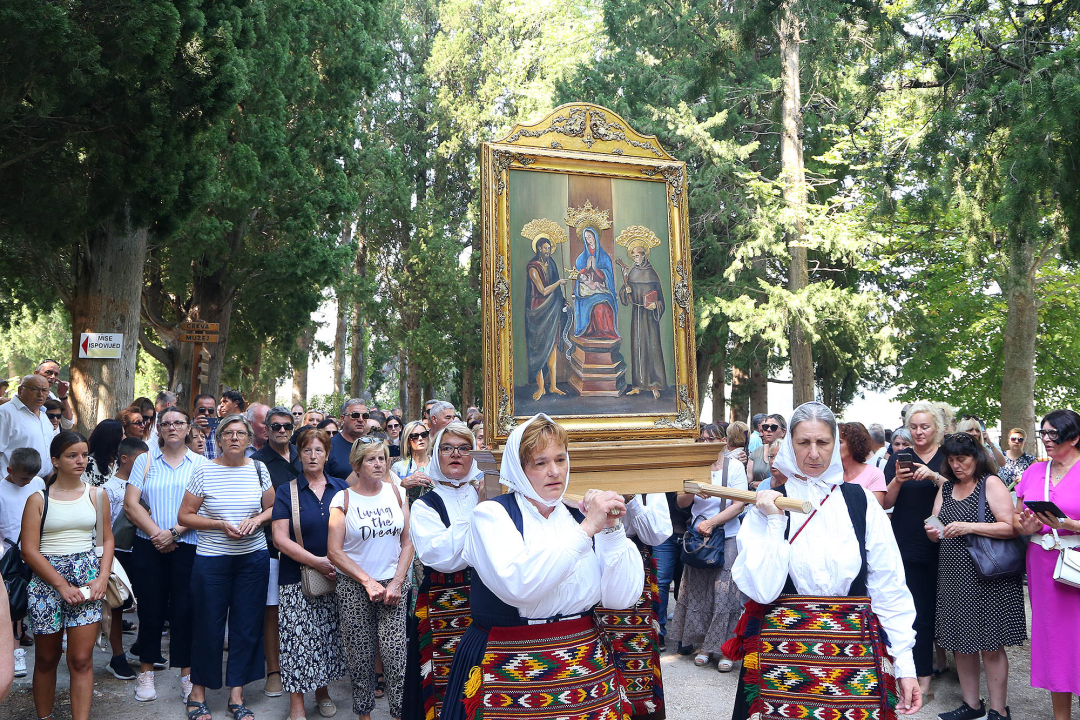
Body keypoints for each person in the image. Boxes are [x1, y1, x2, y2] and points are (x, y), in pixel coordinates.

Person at [440, 414, 643, 720]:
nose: (554, 471)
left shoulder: (576, 516)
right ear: (520, 470)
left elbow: (620, 598)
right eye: (540, 463)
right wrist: (587, 529)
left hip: (585, 666)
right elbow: (521, 586)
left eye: (560, 460)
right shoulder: (491, 516)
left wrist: (612, 529)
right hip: (511, 665)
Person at [730, 402, 922, 718]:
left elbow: (889, 587)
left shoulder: (862, 503)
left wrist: (905, 664)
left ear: (836, 444)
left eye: (823, 442)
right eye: (804, 443)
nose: (814, 453)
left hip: (853, 658)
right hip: (784, 659)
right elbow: (762, 591)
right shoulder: (766, 507)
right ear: (789, 446)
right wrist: (775, 521)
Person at [178, 414, 274, 720]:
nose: (234, 438)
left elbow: (272, 508)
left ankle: (237, 695)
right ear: (218, 440)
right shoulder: (203, 471)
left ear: (249, 439)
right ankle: (197, 694)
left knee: (246, 627)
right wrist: (218, 524)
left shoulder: (259, 469)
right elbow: (185, 516)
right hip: (212, 560)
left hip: (253, 559)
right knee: (208, 626)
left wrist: (257, 520)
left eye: (240, 433)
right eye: (228, 433)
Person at [925, 432, 1025, 720]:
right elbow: (935, 525)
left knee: (991, 646)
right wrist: (932, 531)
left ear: (976, 457)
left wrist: (969, 526)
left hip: (988, 576)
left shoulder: (989, 483)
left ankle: (999, 710)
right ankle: (972, 705)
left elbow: (1010, 527)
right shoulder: (945, 490)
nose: (957, 465)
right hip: (953, 576)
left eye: (963, 459)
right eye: (952, 460)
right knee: (961, 643)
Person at [21, 431, 114, 720]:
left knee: (82, 658)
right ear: (56, 461)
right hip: (47, 583)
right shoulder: (38, 499)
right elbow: (29, 550)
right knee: (47, 659)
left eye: (84, 455)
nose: (80, 461)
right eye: (72, 455)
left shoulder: (97, 495)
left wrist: (101, 578)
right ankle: (45, 717)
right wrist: (60, 584)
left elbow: (107, 540)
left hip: (87, 582)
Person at [327, 438, 413, 720]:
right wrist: (366, 581)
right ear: (357, 465)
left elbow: (408, 541)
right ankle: (364, 714)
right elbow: (334, 551)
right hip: (355, 586)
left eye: (382, 458)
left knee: (396, 654)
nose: (378, 464)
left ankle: (400, 713)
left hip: (393, 584)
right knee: (360, 656)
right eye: (370, 459)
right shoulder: (343, 498)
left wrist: (397, 581)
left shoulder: (398, 491)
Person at [124, 407, 205, 702]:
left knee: (185, 611)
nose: (172, 428)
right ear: (158, 429)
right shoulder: (144, 461)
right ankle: (146, 673)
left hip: (188, 543)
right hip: (149, 545)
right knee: (150, 609)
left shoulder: (200, 463)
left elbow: (203, 506)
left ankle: (187, 676)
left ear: (188, 428)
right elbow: (131, 503)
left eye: (178, 423)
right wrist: (159, 534)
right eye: (166, 423)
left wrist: (174, 533)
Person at [271, 428, 348, 720]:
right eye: (307, 450)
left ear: (327, 455)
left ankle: (323, 692)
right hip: (297, 577)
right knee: (297, 640)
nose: (313, 456)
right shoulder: (286, 490)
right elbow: (280, 539)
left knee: (327, 638)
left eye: (319, 450)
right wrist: (317, 562)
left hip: (336, 576)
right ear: (298, 454)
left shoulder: (341, 489)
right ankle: (296, 705)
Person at [405, 422, 480, 720]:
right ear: (436, 454)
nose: (456, 454)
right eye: (447, 448)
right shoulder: (426, 505)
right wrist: (479, 514)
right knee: (442, 683)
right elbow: (441, 556)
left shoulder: (485, 495)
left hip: (484, 601)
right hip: (442, 601)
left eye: (464, 448)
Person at [1014, 409, 1080, 720]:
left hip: (1077, 561)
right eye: (1044, 433)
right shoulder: (1034, 472)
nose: (1046, 439)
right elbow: (1018, 516)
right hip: (1042, 565)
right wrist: (1025, 527)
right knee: (1055, 641)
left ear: (1075, 437)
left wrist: (1072, 524)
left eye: (1054, 433)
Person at [670, 421, 749, 671]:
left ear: (724, 441)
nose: (708, 443)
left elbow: (740, 503)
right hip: (697, 536)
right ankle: (704, 645)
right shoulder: (694, 465)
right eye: (703, 439)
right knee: (699, 592)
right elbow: (681, 502)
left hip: (726, 534)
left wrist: (713, 522)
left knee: (725, 594)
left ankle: (727, 649)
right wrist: (694, 491)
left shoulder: (734, 467)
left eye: (713, 439)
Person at [883, 400, 949, 695]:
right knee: (915, 611)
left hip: (945, 543)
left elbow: (968, 491)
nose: (919, 432)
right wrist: (897, 480)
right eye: (914, 427)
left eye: (925, 427)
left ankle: (940, 665)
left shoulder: (948, 456)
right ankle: (921, 672)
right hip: (906, 542)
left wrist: (934, 476)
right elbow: (885, 503)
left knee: (940, 610)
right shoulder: (900, 457)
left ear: (937, 428)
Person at [596, 487, 671, 717]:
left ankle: (638, 709)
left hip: (632, 566)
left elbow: (658, 534)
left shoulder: (647, 479)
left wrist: (633, 499)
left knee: (635, 653)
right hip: (587, 559)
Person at [250, 406, 302, 699]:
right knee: (272, 611)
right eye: (276, 426)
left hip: (308, 546)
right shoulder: (256, 462)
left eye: (287, 426)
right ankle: (274, 671)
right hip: (270, 546)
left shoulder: (304, 453)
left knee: (305, 609)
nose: (282, 431)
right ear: (265, 429)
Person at [101, 436, 148, 681]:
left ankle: (142, 648)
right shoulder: (109, 488)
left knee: (147, 600)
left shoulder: (145, 483)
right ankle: (117, 656)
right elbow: (104, 526)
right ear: (124, 459)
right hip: (117, 552)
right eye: (141, 460)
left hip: (141, 548)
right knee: (117, 605)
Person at [1, 447, 44, 680]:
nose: (27, 483)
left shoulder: (37, 484)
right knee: (14, 603)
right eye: (23, 478)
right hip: (11, 553)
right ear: (9, 470)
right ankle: (15, 650)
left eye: (30, 478)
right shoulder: (1, 490)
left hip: (37, 550)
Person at [617, 240, 667, 399]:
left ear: (645, 256)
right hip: (637, 314)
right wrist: (626, 290)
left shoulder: (652, 274)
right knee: (637, 348)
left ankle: (654, 384)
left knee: (651, 349)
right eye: (633, 255)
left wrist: (656, 305)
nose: (635, 258)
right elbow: (625, 295)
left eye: (638, 255)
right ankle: (637, 385)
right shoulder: (631, 272)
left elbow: (661, 300)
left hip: (650, 318)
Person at [524, 233, 569, 401]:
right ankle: (541, 387)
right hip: (538, 311)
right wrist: (559, 283)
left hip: (553, 308)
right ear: (538, 249)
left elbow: (556, 289)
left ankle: (553, 386)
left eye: (549, 248)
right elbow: (543, 290)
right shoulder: (533, 267)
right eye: (545, 248)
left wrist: (563, 301)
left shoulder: (552, 264)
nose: (548, 251)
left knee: (553, 346)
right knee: (539, 349)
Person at [0, 375, 55, 477]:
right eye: (34, 389)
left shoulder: (43, 415)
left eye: (44, 390)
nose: (40, 394)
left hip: (41, 484)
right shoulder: (4, 413)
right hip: (12, 485)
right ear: (20, 390)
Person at [573, 227, 620, 339]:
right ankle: (589, 332)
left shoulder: (605, 257)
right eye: (586, 238)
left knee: (603, 307)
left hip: (602, 292)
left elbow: (609, 276)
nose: (588, 240)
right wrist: (587, 270)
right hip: (586, 295)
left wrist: (596, 269)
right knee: (594, 308)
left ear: (595, 236)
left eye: (590, 236)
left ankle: (605, 333)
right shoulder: (581, 258)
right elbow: (579, 278)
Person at [839, 422, 887, 505]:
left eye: (839, 442)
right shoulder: (827, 473)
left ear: (853, 444)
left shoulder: (874, 474)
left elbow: (874, 513)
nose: (834, 446)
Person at [391, 420, 434, 504]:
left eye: (424, 434)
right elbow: (390, 498)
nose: (420, 439)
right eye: (415, 436)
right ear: (407, 441)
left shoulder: (438, 465)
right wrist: (402, 485)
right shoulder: (397, 468)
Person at [326, 398, 368, 479]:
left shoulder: (372, 445)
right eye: (355, 415)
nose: (360, 420)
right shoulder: (328, 446)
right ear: (342, 419)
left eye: (365, 416)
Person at [748, 414, 786, 490]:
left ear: (783, 432)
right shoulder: (756, 452)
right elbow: (748, 481)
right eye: (765, 427)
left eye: (773, 427)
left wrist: (760, 483)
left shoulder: (789, 453)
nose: (768, 430)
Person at [33, 360, 74, 430]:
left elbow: (68, 423)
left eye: (56, 374)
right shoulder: (25, 396)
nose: (52, 377)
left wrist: (63, 396)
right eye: (48, 372)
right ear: (36, 373)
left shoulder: (52, 396)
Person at [82, 419, 123, 487]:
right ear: (112, 438)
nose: (125, 437)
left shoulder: (121, 461)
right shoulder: (88, 463)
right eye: (123, 434)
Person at [192, 393, 220, 459]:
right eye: (202, 410)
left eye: (211, 410)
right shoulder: (186, 430)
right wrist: (194, 428)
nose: (206, 413)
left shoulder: (220, 430)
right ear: (194, 411)